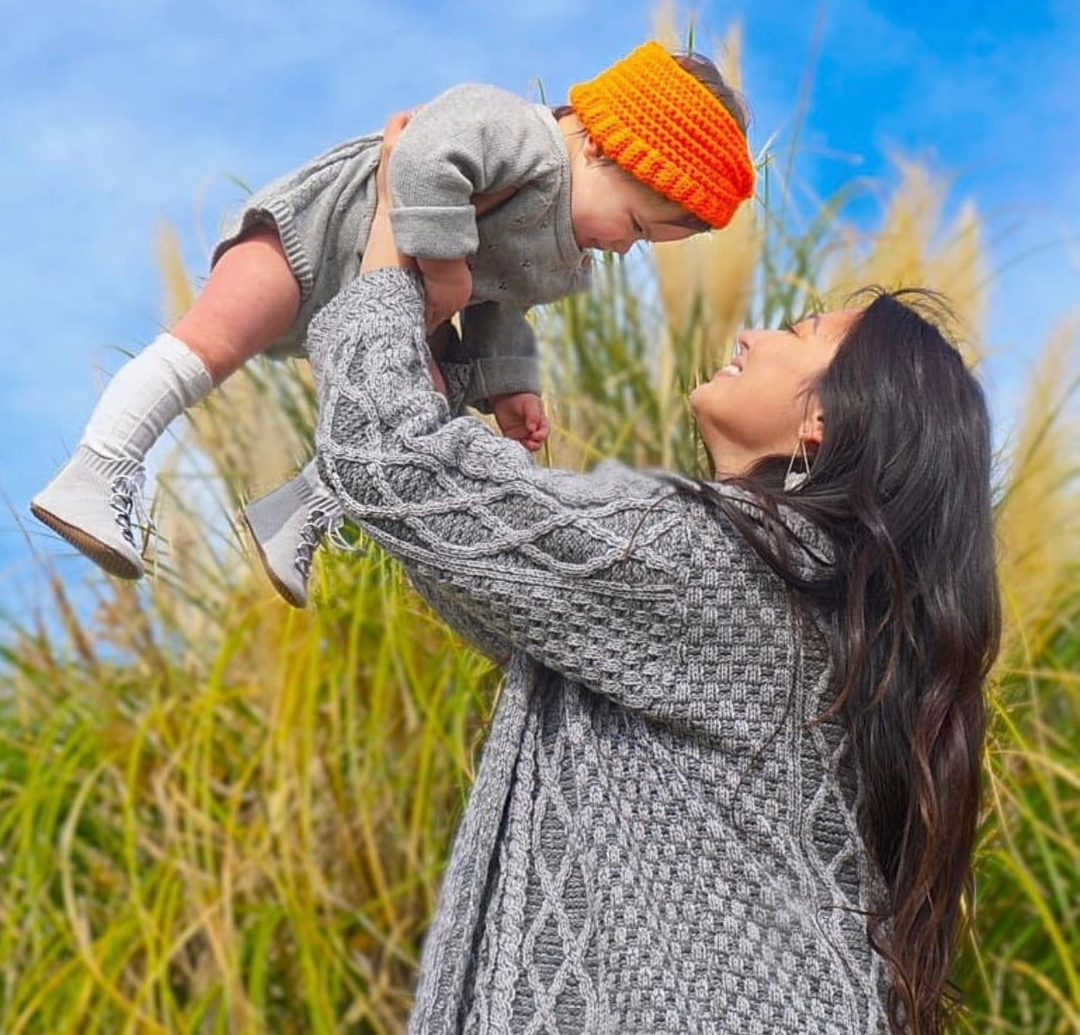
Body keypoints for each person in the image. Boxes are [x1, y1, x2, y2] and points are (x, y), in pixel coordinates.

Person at [303, 117, 1001, 1034]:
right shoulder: (799, 590)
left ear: (826, 421)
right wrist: (438, 349)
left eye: (797, 332)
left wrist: (398, 231)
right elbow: (457, 546)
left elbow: (393, 467)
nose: (753, 332)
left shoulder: (734, 565)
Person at [29, 40, 754, 608]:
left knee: (418, 407)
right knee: (210, 341)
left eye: (644, 245)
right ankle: (99, 471)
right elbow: (421, 156)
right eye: (635, 224)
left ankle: (296, 514)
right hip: (318, 232)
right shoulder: (518, 135)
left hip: (386, 297)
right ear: (599, 144)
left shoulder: (555, 245)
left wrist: (510, 383)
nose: (626, 247)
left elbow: (499, 301)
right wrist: (443, 270)